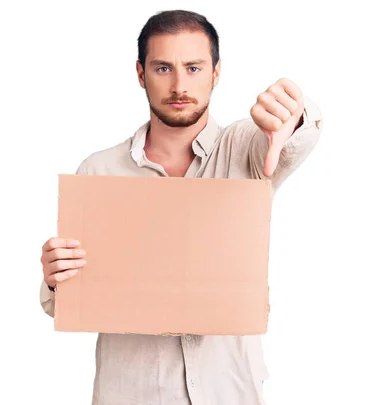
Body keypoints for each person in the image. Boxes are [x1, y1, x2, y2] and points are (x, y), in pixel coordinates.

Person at [39, 9, 322, 405]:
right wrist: (56, 279)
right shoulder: (98, 171)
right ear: (140, 74)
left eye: (193, 68)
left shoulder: (245, 148)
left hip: (228, 392)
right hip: (132, 394)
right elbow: (71, 300)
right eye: (162, 68)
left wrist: (291, 113)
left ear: (216, 72)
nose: (178, 85)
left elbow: (295, 138)